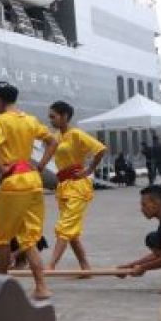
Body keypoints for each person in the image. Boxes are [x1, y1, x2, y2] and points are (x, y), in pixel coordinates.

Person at [0, 81, 58, 300]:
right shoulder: (29, 120)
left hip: (13, 181)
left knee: (2, 237)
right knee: (29, 237)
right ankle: (42, 287)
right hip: (34, 180)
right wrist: (41, 165)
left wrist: (2, 168)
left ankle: (1, 289)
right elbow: (52, 141)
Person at [45, 101, 106, 273]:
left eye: (53, 116)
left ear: (64, 116)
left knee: (65, 226)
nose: (51, 120)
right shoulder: (57, 137)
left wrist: (89, 170)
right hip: (63, 185)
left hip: (78, 185)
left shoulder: (76, 134)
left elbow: (100, 149)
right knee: (71, 230)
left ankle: (51, 265)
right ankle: (85, 267)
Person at [117, 185, 161, 276]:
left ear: (156, 204)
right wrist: (131, 266)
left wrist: (143, 267)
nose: (142, 209)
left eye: (144, 205)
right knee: (152, 239)